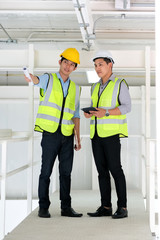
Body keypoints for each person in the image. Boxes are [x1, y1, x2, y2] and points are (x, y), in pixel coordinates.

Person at [24, 48, 83, 218]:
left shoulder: (75, 89)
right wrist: (30, 77)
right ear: (60, 62)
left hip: (67, 135)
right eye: (66, 62)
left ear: (75, 68)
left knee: (66, 173)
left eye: (72, 64)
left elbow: (76, 115)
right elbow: (36, 80)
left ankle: (66, 208)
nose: (68, 66)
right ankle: (43, 207)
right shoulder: (48, 79)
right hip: (50, 134)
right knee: (46, 171)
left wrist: (78, 139)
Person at [84, 50, 131, 219]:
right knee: (101, 172)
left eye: (100, 64)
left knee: (115, 170)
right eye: (95, 65)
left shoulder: (120, 84)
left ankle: (123, 208)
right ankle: (106, 207)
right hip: (96, 135)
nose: (97, 68)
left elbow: (127, 107)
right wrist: (89, 113)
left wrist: (107, 113)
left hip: (111, 135)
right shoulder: (95, 86)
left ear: (110, 64)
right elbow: (96, 108)